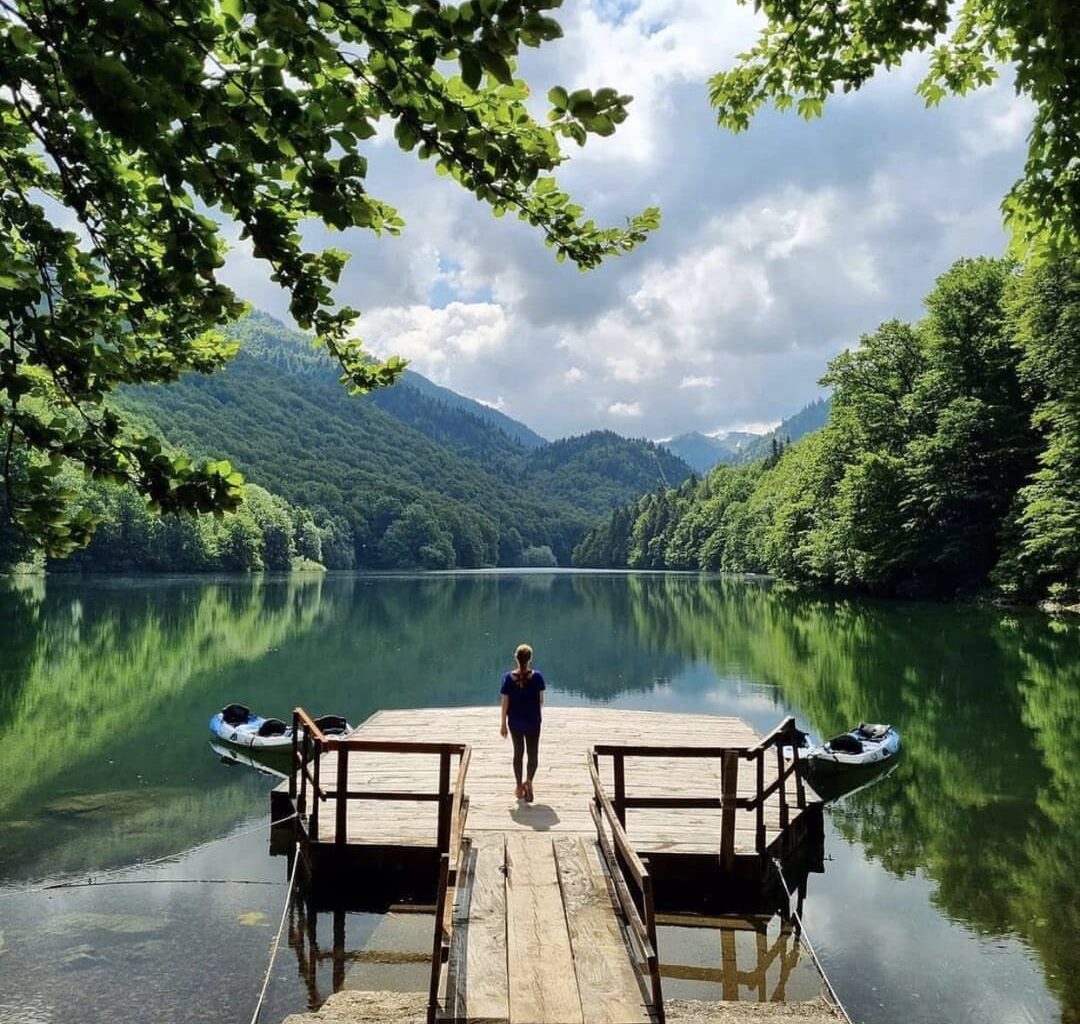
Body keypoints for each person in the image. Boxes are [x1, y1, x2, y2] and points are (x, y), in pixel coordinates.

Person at [499, 643, 545, 802]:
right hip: (533, 721)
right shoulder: (537, 677)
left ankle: (519, 786)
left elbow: (505, 703)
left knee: (518, 753)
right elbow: (541, 701)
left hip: (515, 722)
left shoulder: (508, 678)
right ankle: (529, 781)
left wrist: (503, 723)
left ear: (516, 659)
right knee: (533, 754)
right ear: (530, 659)